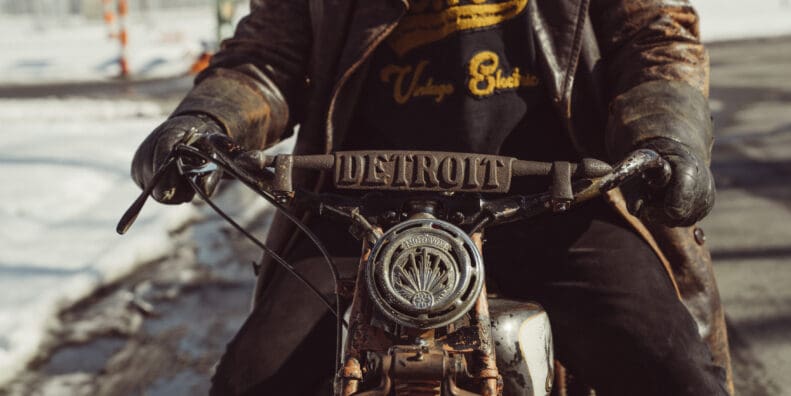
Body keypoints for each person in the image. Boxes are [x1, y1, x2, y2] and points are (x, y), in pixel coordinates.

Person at [131, 1, 733, 394]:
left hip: (558, 205)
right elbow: (264, 59)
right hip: (359, 218)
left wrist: (667, 132)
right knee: (251, 379)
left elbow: (655, 43)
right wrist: (207, 117)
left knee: (674, 372)